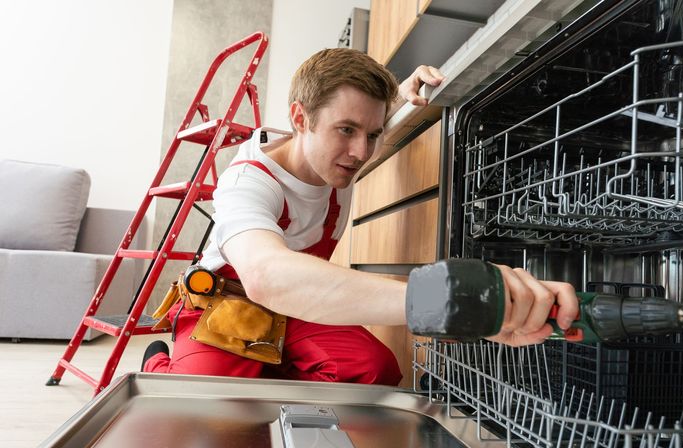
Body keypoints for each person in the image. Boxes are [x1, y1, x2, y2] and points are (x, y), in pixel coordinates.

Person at [142, 48, 579, 384]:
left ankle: (268, 371)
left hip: (298, 308)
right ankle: (162, 363)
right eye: (347, 130)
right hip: (227, 303)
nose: (362, 152)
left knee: (374, 371)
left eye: (373, 134)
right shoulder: (247, 181)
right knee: (204, 407)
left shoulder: (337, 152)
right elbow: (267, 275)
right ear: (300, 118)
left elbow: (370, 121)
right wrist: (444, 303)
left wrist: (405, 96)